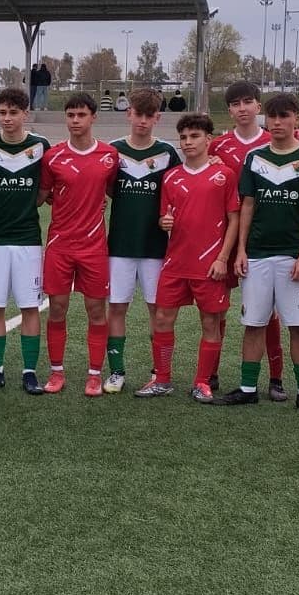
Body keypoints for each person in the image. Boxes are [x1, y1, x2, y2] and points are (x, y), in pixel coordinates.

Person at [228, 93, 299, 413]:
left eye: (284, 116)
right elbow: (247, 206)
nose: (278, 123)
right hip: (256, 255)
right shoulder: (254, 158)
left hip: (293, 257)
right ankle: (247, 388)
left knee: (298, 326)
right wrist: (241, 250)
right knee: (253, 323)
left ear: (296, 118)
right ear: (265, 120)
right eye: (273, 117)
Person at [136, 112, 240, 402]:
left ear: (209, 140)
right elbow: (164, 217)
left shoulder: (224, 175)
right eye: (183, 137)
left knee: (210, 323)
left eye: (194, 136)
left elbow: (234, 219)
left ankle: (202, 382)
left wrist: (222, 258)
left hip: (210, 264)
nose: (188, 142)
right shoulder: (170, 177)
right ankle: (163, 379)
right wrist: (163, 223)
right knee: (162, 318)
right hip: (175, 262)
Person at [210, 81, 288, 400]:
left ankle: (276, 378)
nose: (242, 108)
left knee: (268, 313)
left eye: (248, 102)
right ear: (229, 110)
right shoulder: (217, 146)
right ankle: (210, 372)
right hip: (225, 236)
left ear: (259, 106)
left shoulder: (278, 141)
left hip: (265, 237)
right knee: (217, 309)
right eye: (235, 104)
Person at [37, 93, 118, 395]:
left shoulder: (109, 156)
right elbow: (42, 196)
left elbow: (113, 192)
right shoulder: (53, 157)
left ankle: (94, 374)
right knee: (57, 308)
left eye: (81, 115)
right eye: (70, 115)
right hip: (59, 244)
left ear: (93, 117)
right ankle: (56, 372)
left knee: (96, 310)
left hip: (94, 246)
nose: (75, 121)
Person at [0, 86, 49, 395]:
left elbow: (44, 192)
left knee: (30, 307)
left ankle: (29, 372)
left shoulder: (41, 146)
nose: (7, 119)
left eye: (13, 113)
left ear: (25, 114)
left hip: (28, 239)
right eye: (2, 112)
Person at [104, 88, 177, 394]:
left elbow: (176, 193)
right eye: (139, 114)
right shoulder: (111, 151)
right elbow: (108, 190)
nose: (143, 121)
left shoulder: (167, 153)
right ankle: (117, 372)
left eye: (150, 116)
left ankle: (159, 373)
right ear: (128, 113)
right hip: (120, 245)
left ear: (157, 118)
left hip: (155, 247)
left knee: (157, 311)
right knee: (117, 308)